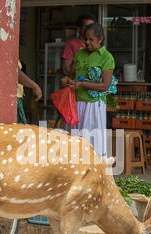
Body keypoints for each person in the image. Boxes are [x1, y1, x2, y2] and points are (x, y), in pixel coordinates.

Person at [61, 22, 115, 157]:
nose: (87, 42)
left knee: (92, 141)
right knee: (74, 141)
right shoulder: (80, 53)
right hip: (76, 103)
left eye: (91, 39)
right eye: (86, 39)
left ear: (100, 39)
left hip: (94, 105)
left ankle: (94, 172)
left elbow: (105, 86)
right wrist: (68, 81)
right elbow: (72, 76)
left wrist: (82, 84)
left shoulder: (106, 57)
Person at [61, 13, 96, 77]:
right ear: (79, 29)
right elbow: (66, 69)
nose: (90, 29)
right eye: (87, 26)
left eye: (92, 27)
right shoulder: (71, 44)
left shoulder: (96, 45)